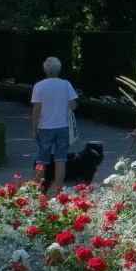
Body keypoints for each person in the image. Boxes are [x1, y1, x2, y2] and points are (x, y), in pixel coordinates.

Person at [29, 56, 79, 195]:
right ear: (59, 69)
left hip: (45, 127)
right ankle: (59, 192)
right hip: (62, 127)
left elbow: (36, 109)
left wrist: (34, 129)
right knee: (60, 159)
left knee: (41, 159)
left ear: (45, 70)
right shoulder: (66, 84)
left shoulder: (39, 86)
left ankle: (36, 191)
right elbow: (73, 106)